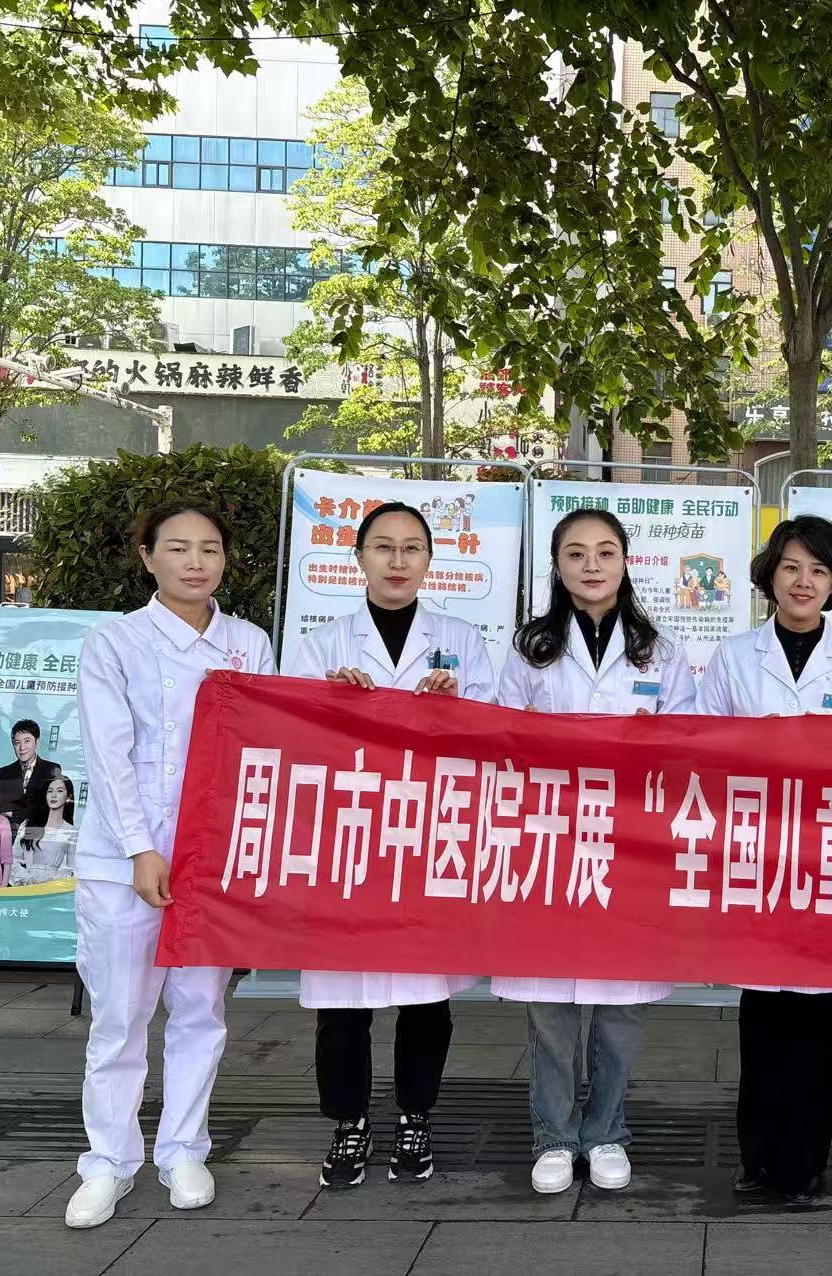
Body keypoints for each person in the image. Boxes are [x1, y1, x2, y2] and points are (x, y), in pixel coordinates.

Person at [67, 504, 277, 1230]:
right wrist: (140, 848)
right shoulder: (115, 641)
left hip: (211, 859)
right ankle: (108, 1162)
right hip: (124, 857)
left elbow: (263, 750)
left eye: (209, 549)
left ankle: (184, 1148)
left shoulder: (249, 643)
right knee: (120, 1016)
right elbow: (109, 752)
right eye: (179, 548)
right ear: (147, 556)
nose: (196, 562)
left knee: (200, 1010)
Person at [283, 501, 490, 1191]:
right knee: (344, 1000)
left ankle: (415, 1117)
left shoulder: (461, 640)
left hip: (428, 835)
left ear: (430, 560)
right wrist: (330, 703)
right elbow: (292, 736)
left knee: (425, 996)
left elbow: (493, 735)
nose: (397, 561)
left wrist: (454, 704)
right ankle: (349, 1122)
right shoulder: (321, 645)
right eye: (383, 547)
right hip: (347, 838)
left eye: (411, 548)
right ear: (359, 558)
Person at [493, 509, 696, 1197]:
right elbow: (504, 736)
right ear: (557, 567)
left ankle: (607, 1131)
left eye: (605, 552)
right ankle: (553, 1136)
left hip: (630, 839)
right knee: (550, 1001)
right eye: (576, 553)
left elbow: (687, 740)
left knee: (621, 1000)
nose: (591, 565)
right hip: (550, 836)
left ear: (625, 562)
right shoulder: (530, 647)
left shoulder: (659, 650)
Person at [697, 515, 832, 1204]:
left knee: (816, 1016)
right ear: (769, 576)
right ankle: (758, 1158)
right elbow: (705, 747)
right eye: (790, 567)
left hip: (827, 852)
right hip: (757, 852)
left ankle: (807, 1161)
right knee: (762, 1014)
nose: (803, 581)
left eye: (818, 570)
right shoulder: (733, 657)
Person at [0, 718, 60, 839]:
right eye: (17, 743)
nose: (22, 747)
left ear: (37, 742)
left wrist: (13, 813)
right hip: (9, 837)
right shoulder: (2, 774)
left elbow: (48, 807)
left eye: (27, 741)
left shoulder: (52, 770)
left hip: (41, 837)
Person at [15, 773, 77, 884]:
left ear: (68, 797)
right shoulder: (32, 824)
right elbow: (14, 858)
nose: (54, 795)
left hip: (53, 887)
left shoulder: (70, 831)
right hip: (27, 886)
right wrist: (28, 879)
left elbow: (72, 868)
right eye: (50, 791)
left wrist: (52, 881)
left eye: (59, 791)